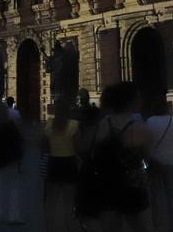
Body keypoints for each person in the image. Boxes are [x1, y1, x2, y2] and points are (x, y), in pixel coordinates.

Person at [77, 82, 151, 232]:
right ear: (130, 102)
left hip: (106, 182)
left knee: (110, 226)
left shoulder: (103, 124)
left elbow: (85, 150)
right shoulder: (139, 128)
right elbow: (146, 157)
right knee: (139, 225)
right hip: (131, 184)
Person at [42, 98, 79, 232]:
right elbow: (77, 147)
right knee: (69, 203)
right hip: (69, 163)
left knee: (51, 202)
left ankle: (49, 229)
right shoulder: (74, 125)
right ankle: (69, 227)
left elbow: (45, 146)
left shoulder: (49, 124)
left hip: (53, 163)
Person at [0, 101, 24, 225]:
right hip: (11, 160)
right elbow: (18, 143)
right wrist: (19, 159)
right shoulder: (11, 126)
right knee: (13, 188)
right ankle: (13, 215)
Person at [144, 99, 173, 232]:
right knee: (171, 194)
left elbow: (147, 140)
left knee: (155, 194)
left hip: (155, 161)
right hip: (171, 160)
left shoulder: (150, 121)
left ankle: (157, 224)